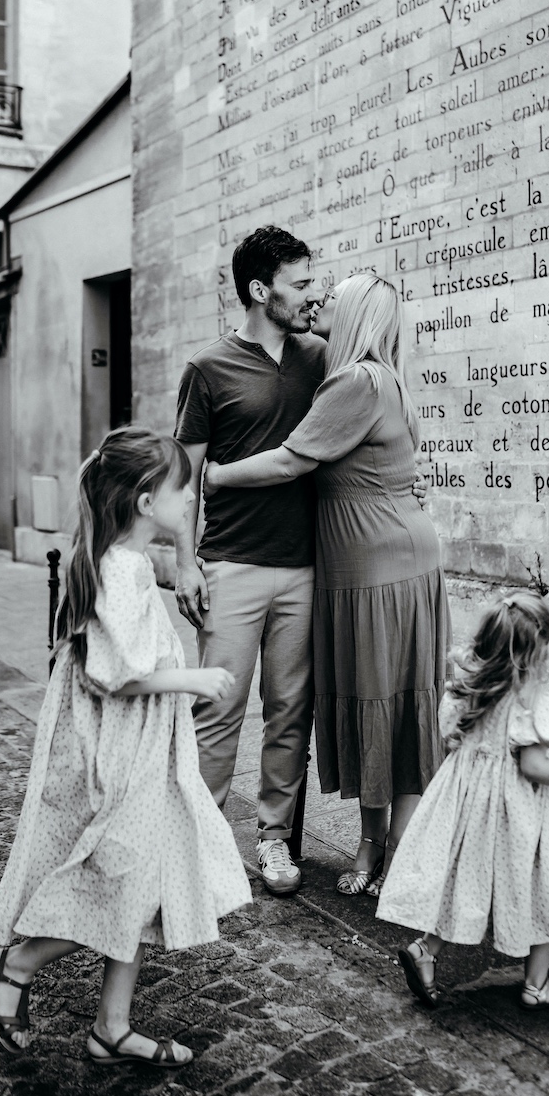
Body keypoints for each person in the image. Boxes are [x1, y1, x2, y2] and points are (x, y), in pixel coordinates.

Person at [0, 428, 252, 1066]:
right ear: (144, 502)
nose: (189, 501)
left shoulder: (123, 561)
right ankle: (16, 964)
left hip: (135, 748)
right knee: (117, 877)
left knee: (140, 880)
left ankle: (112, 1025)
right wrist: (194, 678)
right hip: (120, 754)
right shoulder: (122, 570)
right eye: (180, 490)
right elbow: (117, 674)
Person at [205, 273, 450, 897]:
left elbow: (291, 460)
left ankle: (401, 864)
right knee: (385, 709)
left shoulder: (354, 381)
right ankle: (381, 852)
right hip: (373, 561)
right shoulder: (373, 377)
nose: (320, 302)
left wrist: (216, 476)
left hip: (378, 569)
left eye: (332, 297)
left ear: (356, 315)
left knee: (388, 709)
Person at [174, 226, 324, 896]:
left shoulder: (318, 358)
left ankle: (273, 842)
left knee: (291, 708)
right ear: (261, 290)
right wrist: (183, 562)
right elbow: (184, 477)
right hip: (230, 562)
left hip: (302, 565)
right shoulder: (208, 368)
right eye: (300, 283)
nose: (310, 295)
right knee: (219, 709)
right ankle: (196, 844)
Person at [376, 592, 549, 1012]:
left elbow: (450, 740)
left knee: (466, 879)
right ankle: (536, 986)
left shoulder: (466, 689)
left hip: (469, 805)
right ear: (534, 654)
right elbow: (533, 765)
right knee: (542, 883)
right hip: (519, 810)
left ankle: (426, 951)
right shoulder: (530, 703)